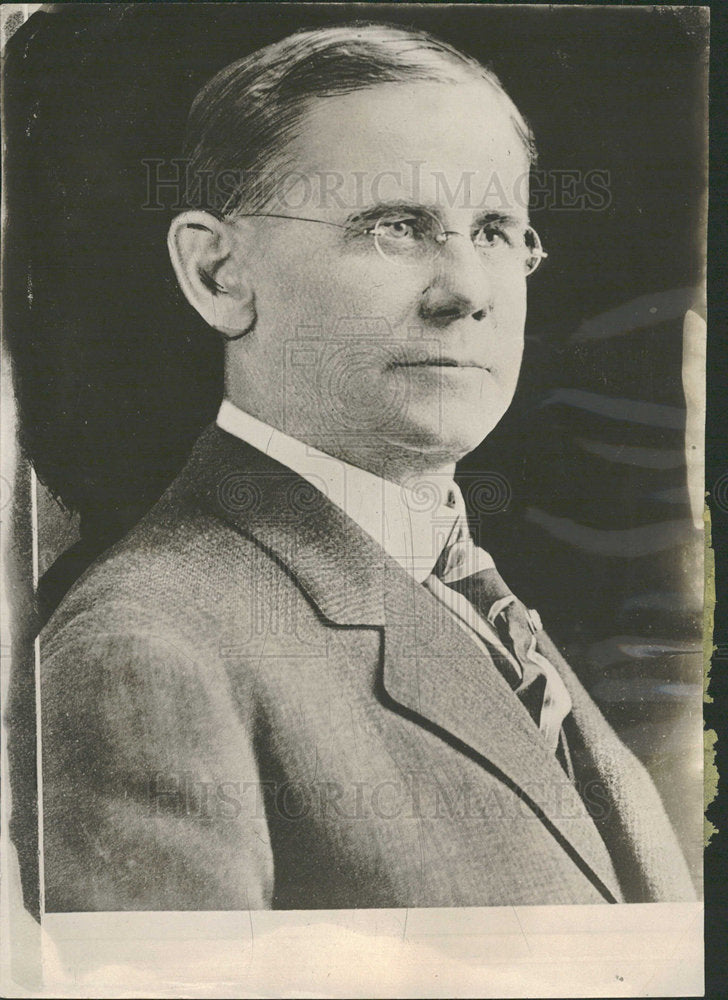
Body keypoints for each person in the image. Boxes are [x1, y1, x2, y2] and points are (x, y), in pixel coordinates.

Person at [37, 23, 695, 911]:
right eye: (396, 228)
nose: (468, 291)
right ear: (218, 272)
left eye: (497, 230)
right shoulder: (147, 652)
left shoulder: (465, 592)